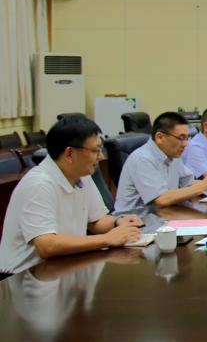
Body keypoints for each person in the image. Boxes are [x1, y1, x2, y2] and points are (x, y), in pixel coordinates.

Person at [0, 117, 143, 276]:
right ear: (70, 153)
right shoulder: (39, 184)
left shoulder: (82, 174)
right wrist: (108, 239)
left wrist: (118, 222)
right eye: (95, 151)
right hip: (24, 276)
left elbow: (96, 222)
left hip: (63, 267)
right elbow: (47, 246)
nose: (101, 157)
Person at [114, 111, 207, 214]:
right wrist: (205, 185)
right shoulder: (142, 158)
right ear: (160, 137)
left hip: (165, 215)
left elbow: (187, 184)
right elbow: (161, 199)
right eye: (181, 138)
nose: (185, 144)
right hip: (136, 223)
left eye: (187, 138)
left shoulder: (173, 154)